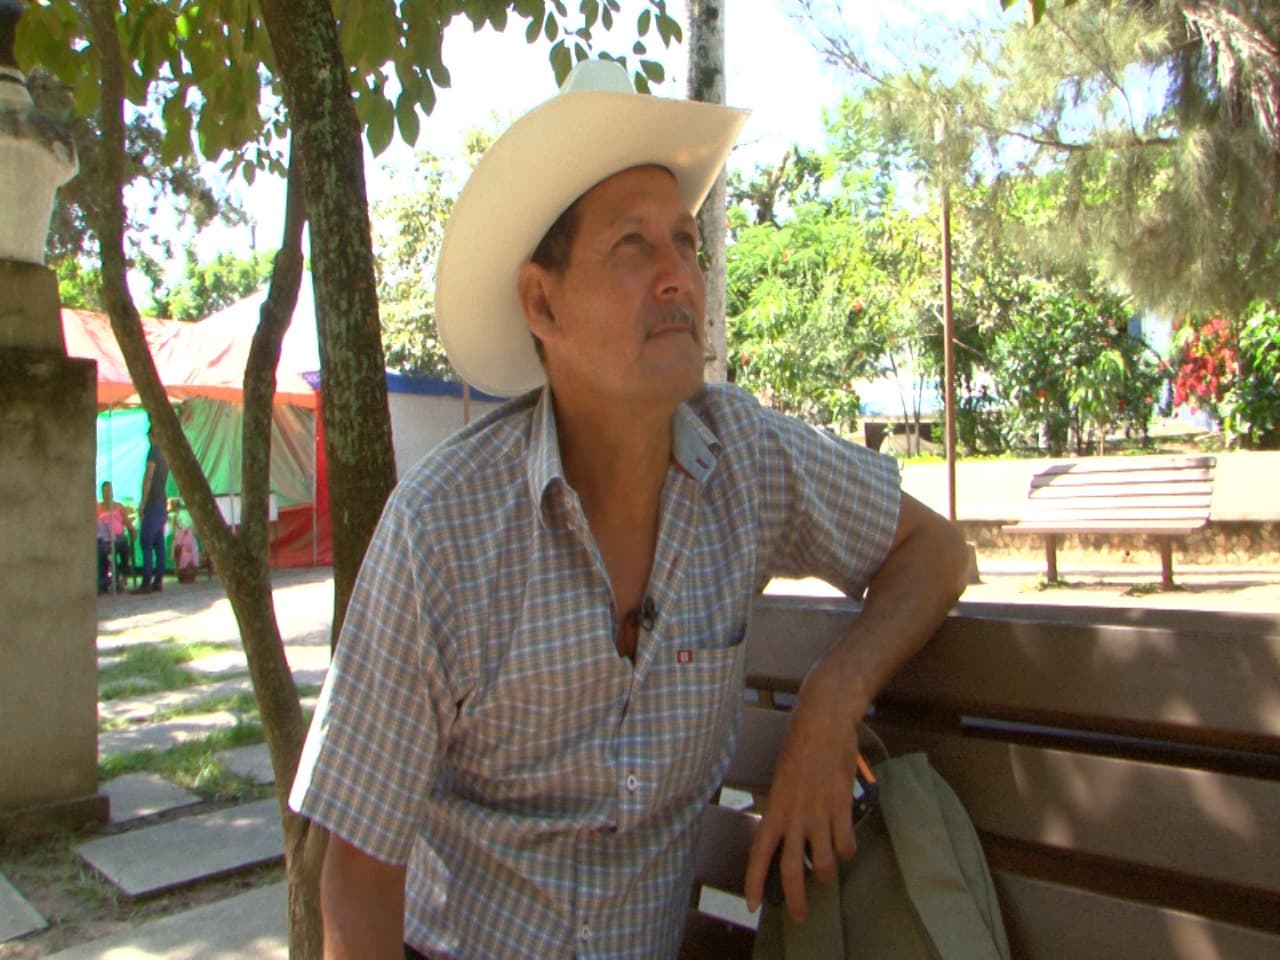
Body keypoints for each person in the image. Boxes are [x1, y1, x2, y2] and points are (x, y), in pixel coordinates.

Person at [290, 61, 970, 960]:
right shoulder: (441, 528)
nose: (677, 277)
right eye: (631, 247)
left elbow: (938, 552)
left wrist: (833, 693)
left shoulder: (746, 459)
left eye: (685, 242)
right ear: (544, 302)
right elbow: (359, 873)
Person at [131, 426, 169, 594]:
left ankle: (146, 581)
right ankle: (158, 579)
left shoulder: (153, 452)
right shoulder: (166, 454)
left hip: (153, 501)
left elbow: (148, 475)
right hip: (162, 500)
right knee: (158, 542)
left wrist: (143, 501)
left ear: (153, 436)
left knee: (146, 541)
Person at [96, 480, 133, 594]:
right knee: (103, 550)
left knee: (124, 547)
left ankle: (123, 579)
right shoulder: (98, 508)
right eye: (105, 491)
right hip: (104, 538)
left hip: (119, 537)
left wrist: (132, 531)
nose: (107, 493)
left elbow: (128, 523)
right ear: (101, 493)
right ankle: (106, 582)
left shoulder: (119, 506)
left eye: (109, 490)